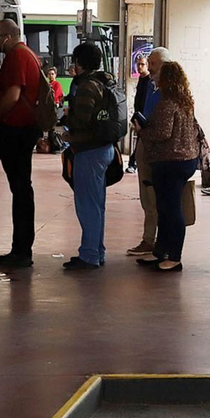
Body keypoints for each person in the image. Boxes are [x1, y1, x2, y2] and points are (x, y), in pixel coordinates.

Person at [139, 60, 208, 273]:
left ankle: (174, 256)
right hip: (184, 160)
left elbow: (162, 133)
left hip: (170, 161)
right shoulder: (185, 101)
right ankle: (161, 251)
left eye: (159, 74)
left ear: (166, 79)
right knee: (166, 207)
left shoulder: (167, 103)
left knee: (170, 209)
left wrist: (142, 130)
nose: (155, 77)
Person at [61, 43, 121, 270]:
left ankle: (89, 255)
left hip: (89, 150)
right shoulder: (105, 81)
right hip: (104, 148)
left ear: (79, 62)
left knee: (87, 205)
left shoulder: (87, 87)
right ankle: (97, 251)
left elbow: (82, 120)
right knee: (97, 205)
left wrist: (67, 118)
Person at [0, 19, 41, 268]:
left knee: (20, 190)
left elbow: (13, 95)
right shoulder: (29, 54)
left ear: (8, 37)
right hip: (24, 129)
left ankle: (21, 250)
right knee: (22, 189)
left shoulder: (17, 56)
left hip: (16, 130)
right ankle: (21, 248)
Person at [127, 47, 169, 257]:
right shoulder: (150, 85)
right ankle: (149, 238)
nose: (149, 68)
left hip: (161, 149)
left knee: (160, 197)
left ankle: (159, 242)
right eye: (148, 64)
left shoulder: (170, 91)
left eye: (153, 64)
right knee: (147, 195)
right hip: (146, 141)